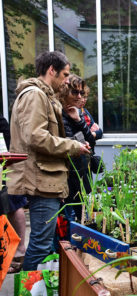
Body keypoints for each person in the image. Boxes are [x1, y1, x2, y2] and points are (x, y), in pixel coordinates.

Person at [7, 51, 91, 271]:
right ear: (51, 70)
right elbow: (35, 137)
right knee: (40, 245)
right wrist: (73, 146)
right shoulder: (35, 95)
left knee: (42, 243)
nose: (66, 81)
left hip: (46, 179)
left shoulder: (42, 95)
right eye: (64, 75)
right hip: (41, 180)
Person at [58, 75, 96, 222]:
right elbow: (63, 143)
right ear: (64, 91)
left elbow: (91, 141)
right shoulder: (58, 113)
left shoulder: (78, 113)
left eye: (81, 93)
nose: (79, 96)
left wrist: (79, 120)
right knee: (68, 219)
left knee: (83, 217)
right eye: (74, 92)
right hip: (66, 176)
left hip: (81, 172)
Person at [0, 116, 27, 273]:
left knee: (13, 204)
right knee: (13, 204)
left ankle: (16, 253)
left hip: (5, 164)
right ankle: (17, 253)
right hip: (6, 161)